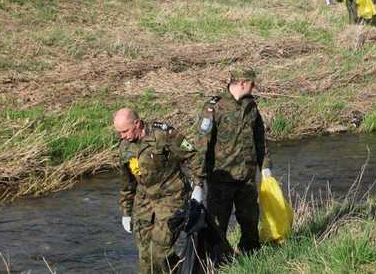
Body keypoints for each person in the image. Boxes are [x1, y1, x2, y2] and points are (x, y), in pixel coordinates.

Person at [114, 108, 205, 274]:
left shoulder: (163, 134)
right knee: (145, 255)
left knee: (160, 252)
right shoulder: (124, 147)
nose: (122, 136)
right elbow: (127, 183)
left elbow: (192, 156)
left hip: (172, 198)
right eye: (119, 132)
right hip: (144, 202)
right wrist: (126, 212)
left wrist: (198, 185)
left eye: (125, 131)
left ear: (137, 123)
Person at [194, 67, 271, 256]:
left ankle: (251, 258)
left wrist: (265, 166)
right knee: (217, 226)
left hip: (246, 177)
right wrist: (198, 182)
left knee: (250, 221)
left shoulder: (251, 105)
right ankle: (218, 263)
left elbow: (259, 137)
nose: (254, 87)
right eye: (252, 84)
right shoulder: (214, 108)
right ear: (243, 83)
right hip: (222, 178)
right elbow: (201, 145)